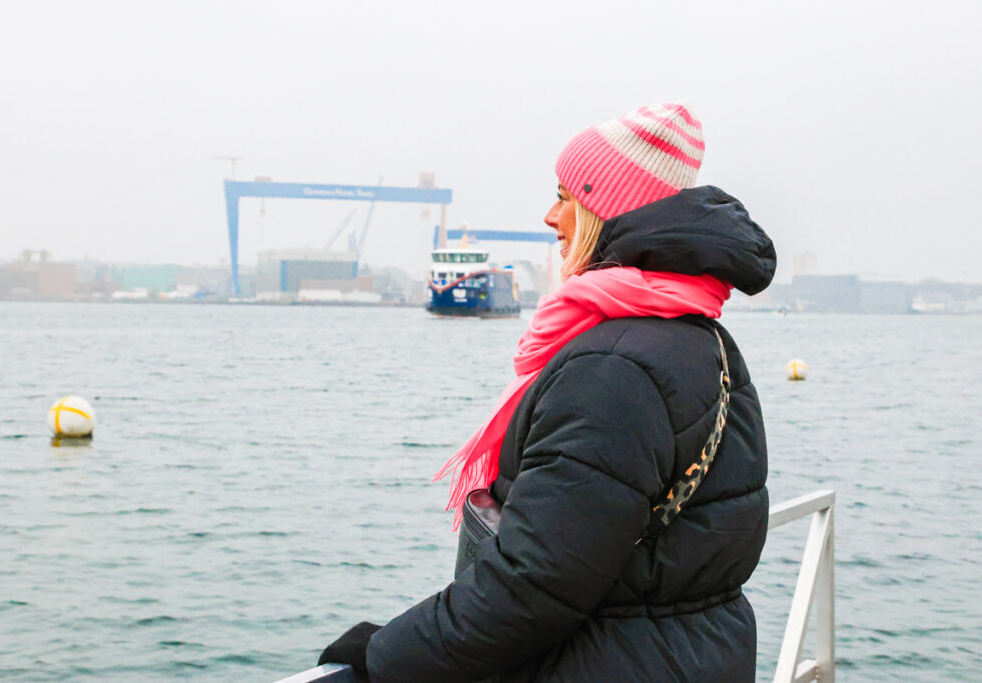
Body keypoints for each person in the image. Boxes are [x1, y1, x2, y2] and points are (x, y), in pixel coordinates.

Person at [318, 102, 776, 682]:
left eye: (565, 195)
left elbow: (535, 584)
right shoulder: (700, 337)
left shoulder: (614, 368)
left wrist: (383, 652)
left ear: (604, 208)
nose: (550, 215)